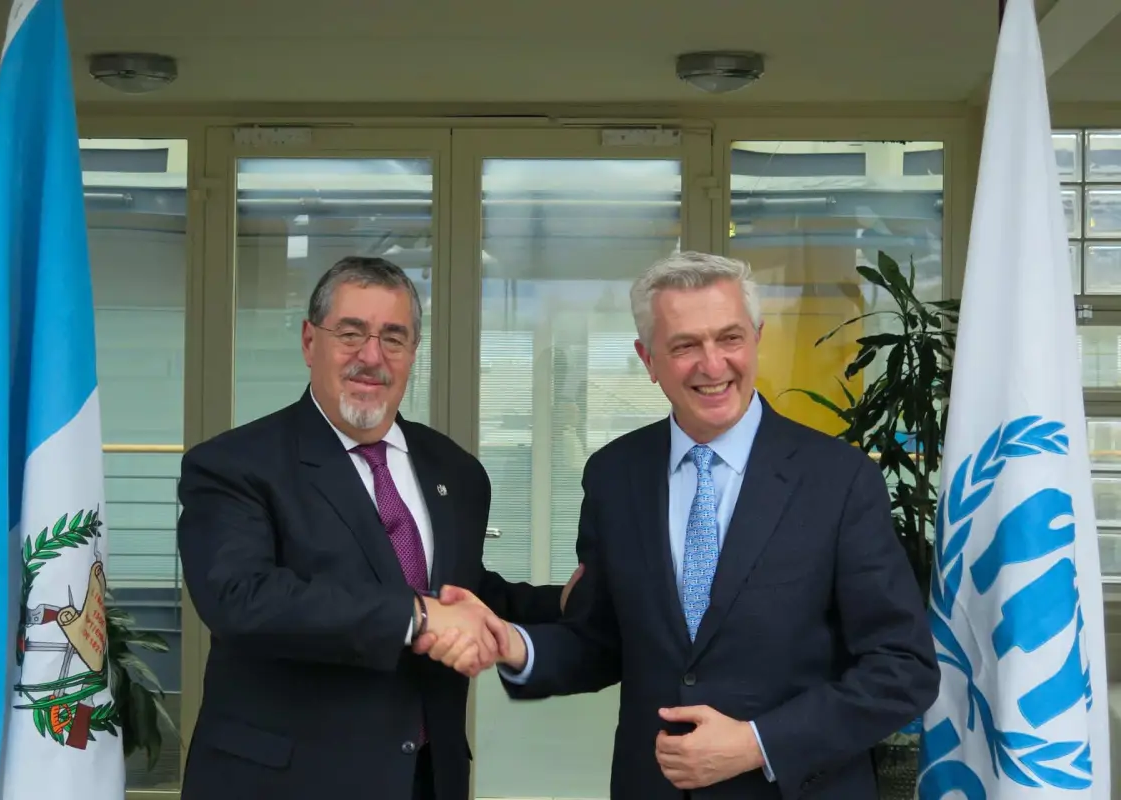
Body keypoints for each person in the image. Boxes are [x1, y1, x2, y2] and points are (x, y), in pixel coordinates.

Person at [419, 251, 939, 799]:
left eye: (729, 338)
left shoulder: (840, 479)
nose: (712, 365)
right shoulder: (615, 476)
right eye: (685, 345)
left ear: (757, 337)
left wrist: (758, 743)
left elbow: (902, 668)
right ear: (648, 359)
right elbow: (603, 641)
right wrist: (513, 645)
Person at [176, 256, 580, 800]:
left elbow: (463, 593)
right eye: (350, 333)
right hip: (283, 783)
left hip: (425, 781)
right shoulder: (234, 464)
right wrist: (414, 617)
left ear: (414, 352)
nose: (371, 357)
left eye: (394, 337)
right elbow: (241, 599)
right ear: (308, 341)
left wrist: (565, 605)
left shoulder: (456, 472)